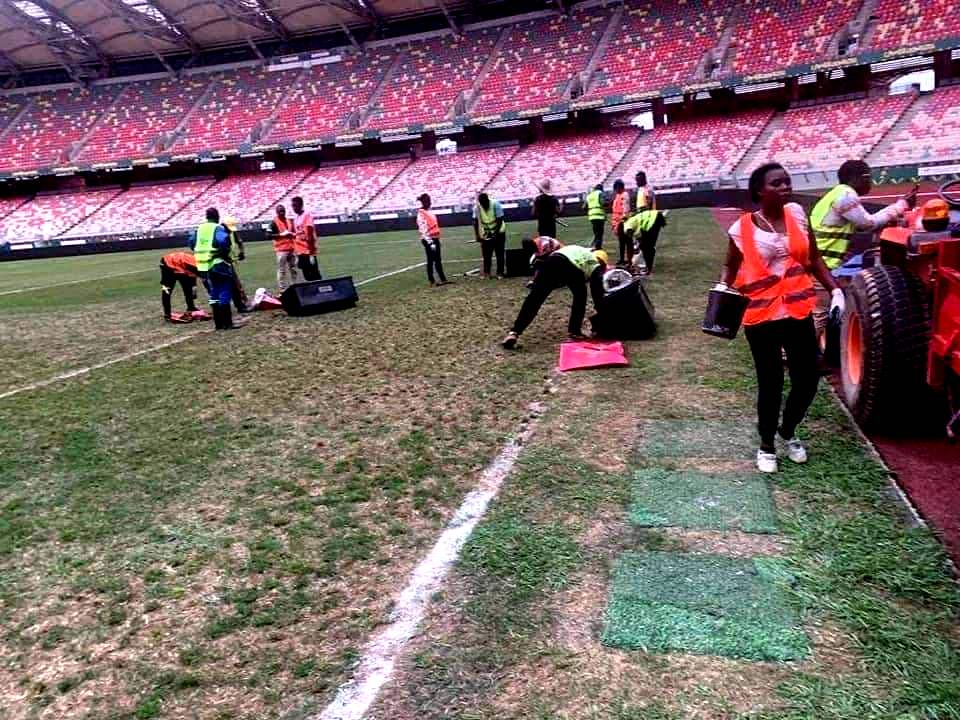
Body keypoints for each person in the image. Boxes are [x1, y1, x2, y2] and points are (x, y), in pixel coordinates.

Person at [719, 163, 842, 473]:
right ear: (760, 190)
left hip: (798, 311)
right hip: (760, 316)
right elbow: (730, 266)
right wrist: (722, 290)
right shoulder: (741, 228)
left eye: (787, 181)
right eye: (777, 183)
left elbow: (813, 258)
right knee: (770, 382)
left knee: (808, 378)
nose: (785, 187)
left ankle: (787, 431)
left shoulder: (798, 215)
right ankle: (766, 445)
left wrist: (835, 290)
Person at [810, 160, 917, 271]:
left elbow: (864, 224)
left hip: (820, 261)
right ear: (859, 178)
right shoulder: (846, 196)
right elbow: (869, 224)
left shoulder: (836, 193)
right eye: (869, 177)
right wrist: (901, 205)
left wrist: (897, 206)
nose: (870, 182)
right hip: (824, 264)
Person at [502, 247, 608, 349]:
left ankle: (514, 332)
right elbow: (597, 294)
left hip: (551, 261)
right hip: (570, 266)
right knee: (580, 297)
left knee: (534, 299)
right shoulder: (595, 265)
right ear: (602, 263)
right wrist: (602, 316)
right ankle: (574, 331)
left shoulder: (581, 251)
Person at [190, 207, 245, 330]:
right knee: (225, 289)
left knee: (214, 291)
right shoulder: (217, 228)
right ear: (217, 217)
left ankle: (218, 324)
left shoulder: (199, 229)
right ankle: (228, 323)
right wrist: (224, 255)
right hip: (218, 263)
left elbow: (191, 243)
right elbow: (223, 241)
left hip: (204, 265)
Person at [622, 205, 667, 275]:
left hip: (654, 219)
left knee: (646, 247)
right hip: (656, 216)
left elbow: (634, 234)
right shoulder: (631, 222)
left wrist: (637, 244)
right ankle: (649, 264)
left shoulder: (627, 227)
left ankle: (648, 268)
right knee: (646, 246)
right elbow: (640, 235)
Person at [417, 193, 449, 287]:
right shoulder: (421, 214)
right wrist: (430, 242)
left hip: (435, 238)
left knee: (438, 260)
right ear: (424, 202)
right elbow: (423, 229)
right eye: (428, 201)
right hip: (429, 240)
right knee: (431, 260)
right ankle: (432, 280)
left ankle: (443, 279)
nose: (430, 203)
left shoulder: (429, 212)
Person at [474, 192, 507, 279]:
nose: (484, 206)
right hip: (487, 233)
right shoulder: (477, 207)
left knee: (499, 253)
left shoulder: (495, 204)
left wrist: (495, 234)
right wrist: (477, 235)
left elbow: (500, 219)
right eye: (482, 204)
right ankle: (487, 273)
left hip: (499, 231)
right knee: (486, 254)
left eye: (485, 203)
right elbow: (475, 222)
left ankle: (500, 273)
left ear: (488, 200)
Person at [159, 250, 199, 321]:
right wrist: (194, 287)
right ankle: (167, 313)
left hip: (181, 266)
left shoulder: (195, 265)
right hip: (167, 265)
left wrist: (194, 287)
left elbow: (193, 277)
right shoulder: (194, 265)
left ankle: (191, 307)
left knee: (187, 288)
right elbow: (196, 275)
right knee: (167, 290)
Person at [222, 216, 251, 313]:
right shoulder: (219, 233)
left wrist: (242, 252)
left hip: (229, 262)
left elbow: (239, 241)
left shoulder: (232, 232)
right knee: (232, 284)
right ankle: (240, 305)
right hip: (220, 263)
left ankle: (241, 303)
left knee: (235, 283)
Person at [268, 204, 298, 292]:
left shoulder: (289, 220)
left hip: (291, 248)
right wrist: (281, 235)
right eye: (280, 211)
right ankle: (282, 288)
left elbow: (294, 232)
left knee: (293, 268)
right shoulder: (273, 222)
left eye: (283, 211)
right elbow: (268, 235)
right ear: (276, 212)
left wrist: (293, 234)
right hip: (281, 250)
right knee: (282, 270)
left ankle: (294, 285)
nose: (282, 213)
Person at [292, 196, 321, 281]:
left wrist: (311, 254)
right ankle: (312, 292)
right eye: (293, 206)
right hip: (300, 251)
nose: (294, 208)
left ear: (301, 205)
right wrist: (297, 254)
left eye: (295, 205)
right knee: (306, 274)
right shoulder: (296, 218)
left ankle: (321, 291)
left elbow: (310, 235)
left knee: (314, 274)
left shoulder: (307, 216)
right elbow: (297, 235)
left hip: (308, 250)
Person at [611, 179, 630, 265]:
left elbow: (625, 208)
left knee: (625, 241)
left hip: (622, 221)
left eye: (616, 189)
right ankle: (622, 258)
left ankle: (626, 259)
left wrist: (623, 219)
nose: (615, 191)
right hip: (617, 221)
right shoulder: (618, 196)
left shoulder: (624, 195)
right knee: (621, 242)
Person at [584, 184, 606, 249]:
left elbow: (584, 207)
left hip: (592, 216)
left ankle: (595, 245)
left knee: (596, 232)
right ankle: (598, 247)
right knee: (599, 233)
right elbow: (603, 202)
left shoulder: (589, 195)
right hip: (599, 215)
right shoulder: (600, 193)